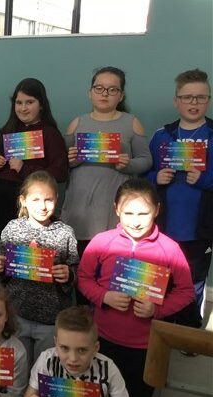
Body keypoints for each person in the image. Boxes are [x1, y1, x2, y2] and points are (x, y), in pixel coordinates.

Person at [77, 178, 194, 397]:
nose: (136, 221)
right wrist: (104, 296)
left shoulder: (170, 249)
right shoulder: (102, 241)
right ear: (116, 209)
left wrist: (157, 310)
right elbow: (83, 278)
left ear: (157, 210)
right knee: (99, 393)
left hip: (145, 345)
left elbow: (186, 291)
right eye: (129, 213)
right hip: (102, 339)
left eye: (143, 213)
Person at [61, 66, 152, 258]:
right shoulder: (77, 123)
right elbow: (61, 163)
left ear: (121, 95)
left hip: (114, 209)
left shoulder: (131, 122)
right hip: (79, 208)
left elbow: (146, 161)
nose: (105, 94)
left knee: (111, 267)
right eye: (99, 88)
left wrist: (128, 165)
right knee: (77, 266)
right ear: (90, 92)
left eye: (112, 89)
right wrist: (71, 161)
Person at [146, 68, 213, 328]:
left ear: (208, 100)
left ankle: (188, 332)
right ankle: (158, 330)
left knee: (193, 283)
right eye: (187, 97)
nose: (194, 103)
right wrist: (156, 177)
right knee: (159, 281)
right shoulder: (162, 135)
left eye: (200, 97)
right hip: (163, 228)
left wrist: (205, 179)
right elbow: (143, 174)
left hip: (200, 230)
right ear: (177, 101)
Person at [0, 170, 78, 367]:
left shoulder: (65, 233)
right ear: (23, 200)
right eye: (36, 199)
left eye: (48, 200)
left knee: (44, 369)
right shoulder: (12, 228)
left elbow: (76, 270)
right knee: (17, 368)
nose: (43, 206)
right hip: (17, 314)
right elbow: (3, 273)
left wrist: (69, 275)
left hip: (50, 319)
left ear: (57, 199)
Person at [0, 78, 68, 231]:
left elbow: (60, 173)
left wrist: (24, 169)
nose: (23, 108)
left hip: (34, 204)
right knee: (5, 241)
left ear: (41, 105)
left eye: (29, 102)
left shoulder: (50, 134)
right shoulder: (7, 130)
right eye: (19, 103)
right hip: (3, 202)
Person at [23, 306, 130, 397]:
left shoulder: (108, 368)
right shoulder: (47, 361)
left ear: (95, 348)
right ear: (56, 343)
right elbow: (30, 394)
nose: (73, 358)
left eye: (82, 350)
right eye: (64, 348)